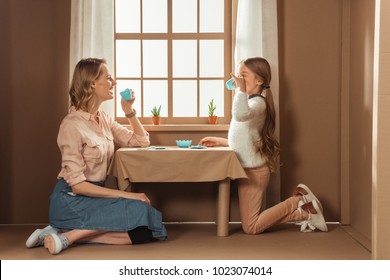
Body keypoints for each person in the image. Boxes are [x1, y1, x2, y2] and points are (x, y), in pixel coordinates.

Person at [25, 58, 167, 255]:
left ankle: (64, 233)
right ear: (92, 83)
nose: (114, 82)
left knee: (144, 231)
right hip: (71, 200)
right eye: (108, 77)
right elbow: (78, 185)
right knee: (140, 209)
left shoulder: (104, 119)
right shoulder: (71, 124)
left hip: (95, 200)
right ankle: (67, 237)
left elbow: (141, 141)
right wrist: (129, 195)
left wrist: (128, 111)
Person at [199, 57, 327, 234]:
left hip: (255, 172)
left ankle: (297, 200)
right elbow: (245, 137)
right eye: (238, 75)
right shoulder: (250, 102)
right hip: (246, 170)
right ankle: (305, 213)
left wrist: (240, 90)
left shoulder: (258, 103)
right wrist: (221, 141)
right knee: (251, 224)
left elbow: (240, 115)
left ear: (259, 80)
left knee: (251, 228)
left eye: (243, 75)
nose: (239, 79)